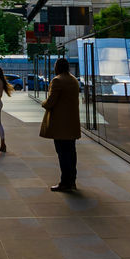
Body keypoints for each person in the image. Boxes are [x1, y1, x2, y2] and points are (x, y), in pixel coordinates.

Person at [41, 57, 81, 192]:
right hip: (72, 123)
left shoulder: (57, 80)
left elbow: (51, 102)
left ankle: (65, 182)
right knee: (71, 153)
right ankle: (72, 181)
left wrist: (43, 103)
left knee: (62, 154)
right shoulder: (73, 80)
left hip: (60, 124)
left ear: (57, 67)